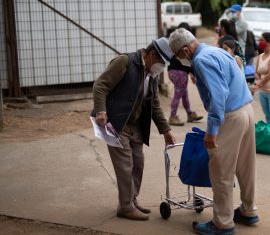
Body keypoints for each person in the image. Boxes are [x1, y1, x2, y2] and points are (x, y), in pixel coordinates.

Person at [169, 28, 259, 235]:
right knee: (245, 167)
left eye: (178, 56)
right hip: (246, 110)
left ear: (184, 50)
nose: (180, 60)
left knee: (221, 172)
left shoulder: (200, 61)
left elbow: (219, 96)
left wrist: (212, 131)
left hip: (230, 117)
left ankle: (223, 223)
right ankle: (248, 210)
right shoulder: (215, 50)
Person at [92, 37, 176, 221]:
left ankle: (131, 199)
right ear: (153, 55)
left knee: (138, 163)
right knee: (125, 165)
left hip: (135, 125)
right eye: (162, 63)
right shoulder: (125, 62)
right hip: (116, 123)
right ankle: (125, 206)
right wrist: (101, 110)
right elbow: (100, 86)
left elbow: (154, 103)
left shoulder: (151, 75)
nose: (162, 68)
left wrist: (166, 130)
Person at [168, 22, 203, 126]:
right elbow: (190, 63)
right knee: (178, 94)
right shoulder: (186, 45)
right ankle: (172, 117)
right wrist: (193, 74)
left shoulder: (176, 42)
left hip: (172, 71)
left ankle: (189, 114)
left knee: (184, 94)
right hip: (180, 73)